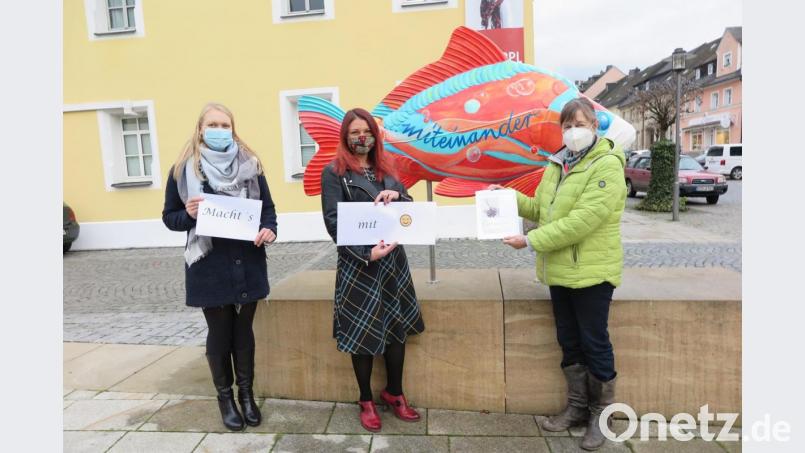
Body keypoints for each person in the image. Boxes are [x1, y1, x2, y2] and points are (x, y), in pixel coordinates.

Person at [491, 97, 626, 451]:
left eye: (580, 124)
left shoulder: (607, 166)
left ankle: (601, 415)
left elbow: (581, 222)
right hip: (560, 272)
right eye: (567, 126)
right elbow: (542, 209)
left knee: (594, 342)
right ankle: (577, 408)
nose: (573, 131)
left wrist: (530, 239)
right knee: (569, 341)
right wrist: (507, 198)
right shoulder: (558, 164)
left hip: (592, 273)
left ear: (595, 126)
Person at [162, 102, 277, 431]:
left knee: (244, 334)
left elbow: (267, 210)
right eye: (213, 124)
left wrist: (269, 229)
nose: (219, 130)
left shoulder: (251, 166)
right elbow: (171, 218)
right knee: (220, 332)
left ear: (233, 128)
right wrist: (190, 215)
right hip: (209, 265)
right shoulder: (183, 170)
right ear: (200, 129)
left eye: (225, 125)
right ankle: (225, 399)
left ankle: (246, 396)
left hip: (248, 261)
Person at [320, 108, 425, 433]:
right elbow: (334, 223)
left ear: (374, 135)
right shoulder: (334, 172)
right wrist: (366, 253)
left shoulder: (386, 168)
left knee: (396, 330)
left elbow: (407, 211)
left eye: (366, 131)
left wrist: (400, 196)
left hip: (392, 262)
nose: (361, 137)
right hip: (360, 264)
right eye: (354, 132)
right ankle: (365, 399)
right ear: (345, 137)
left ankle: (395, 392)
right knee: (361, 334)